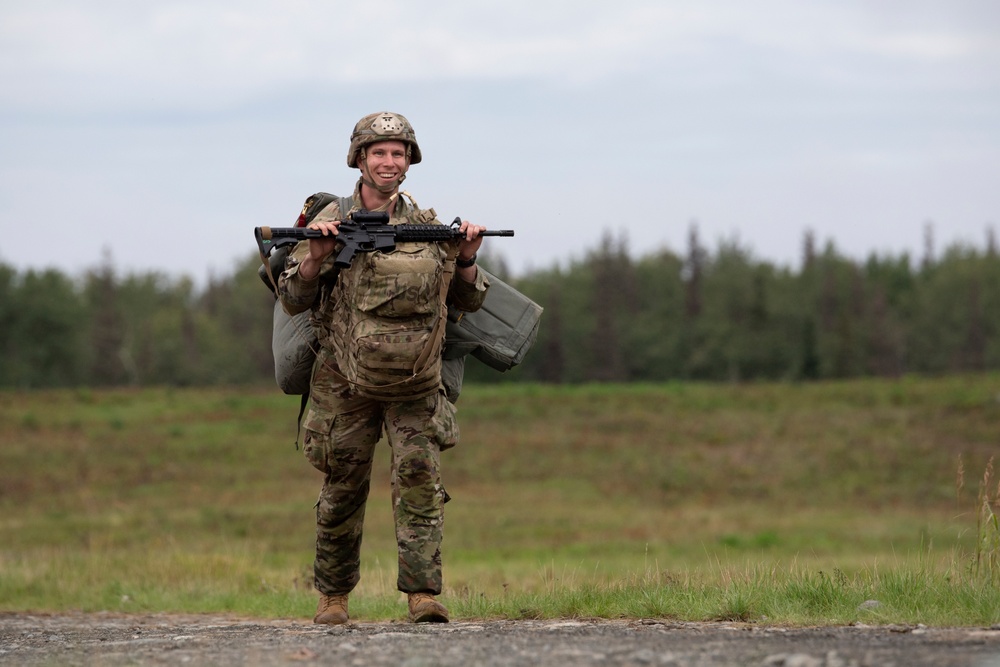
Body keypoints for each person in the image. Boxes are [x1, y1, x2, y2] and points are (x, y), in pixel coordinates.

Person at [276, 111, 489, 624]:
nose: (389, 162)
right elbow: (291, 297)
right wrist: (315, 256)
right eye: (379, 153)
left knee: (419, 479)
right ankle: (333, 598)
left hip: (414, 376)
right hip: (342, 374)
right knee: (343, 484)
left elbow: (466, 300)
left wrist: (465, 257)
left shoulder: (427, 224)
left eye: (398, 153)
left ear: (409, 161)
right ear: (359, 159)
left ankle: (422, 595)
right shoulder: (330, 216)